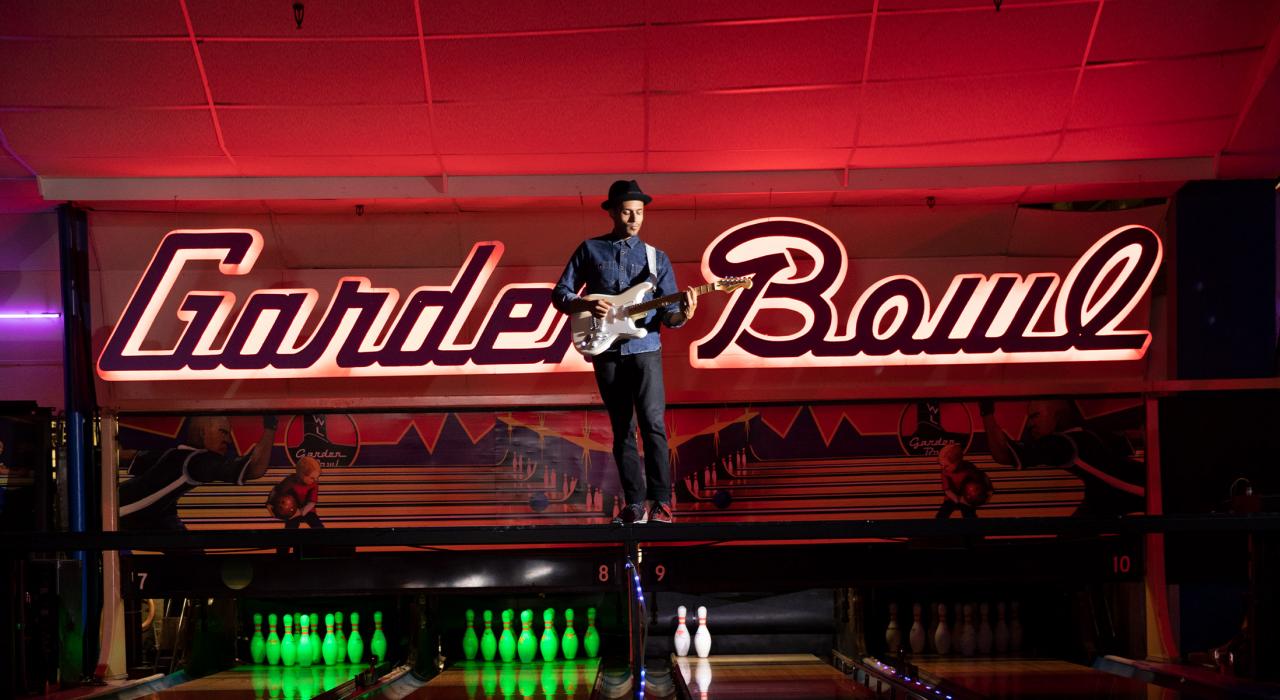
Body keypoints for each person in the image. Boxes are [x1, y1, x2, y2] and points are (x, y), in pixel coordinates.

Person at [552, 180, 698, 524]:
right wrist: (585, 303)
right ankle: (634, 504)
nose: (634, 219)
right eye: (628, 212)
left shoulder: (656, 258)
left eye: (640, 212)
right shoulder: (590, 249)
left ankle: (660, 502)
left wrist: (683, 314)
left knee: (653, 424)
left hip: (646, 348)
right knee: (622, 427)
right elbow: (560, 293)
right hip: (606, 350)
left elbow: (669, 315)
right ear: (613, 213)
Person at [980, 398, 1145, 517]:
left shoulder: (1062, 444)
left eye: (1035, 416)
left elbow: (1003, 454)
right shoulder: (1090, 436)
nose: (1030, 424)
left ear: (1057, 414)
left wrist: (986, 411)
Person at [120, 415, 277, 530]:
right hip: (119, 515)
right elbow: (255, 468)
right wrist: (270, 427)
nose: (228, 440)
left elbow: (129, 455)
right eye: (223, 432)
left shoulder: (175, 455)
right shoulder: (198, 461)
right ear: (203, 432)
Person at [269, 455, 324, 530]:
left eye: (317, 477)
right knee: (291, 527)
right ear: (302, 474)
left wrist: (300, 512)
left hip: (308, 510)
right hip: (291, 511)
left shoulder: (313, 484)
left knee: (319, 527)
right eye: (312, 478)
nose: (315, 480)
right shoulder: (290, 480)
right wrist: (270, 504)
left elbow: (312, 503)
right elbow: (276, 490)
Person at [935, 443, 980, 519]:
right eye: (941, 465)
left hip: (967, 497)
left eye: (946, 465)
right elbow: (947, 490)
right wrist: (958, 499)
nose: (943, 468)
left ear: (957, 462)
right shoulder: (945, 471)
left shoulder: (969, 468)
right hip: (951, 497)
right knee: (941, 516)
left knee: (969, 515)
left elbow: (978, 481)